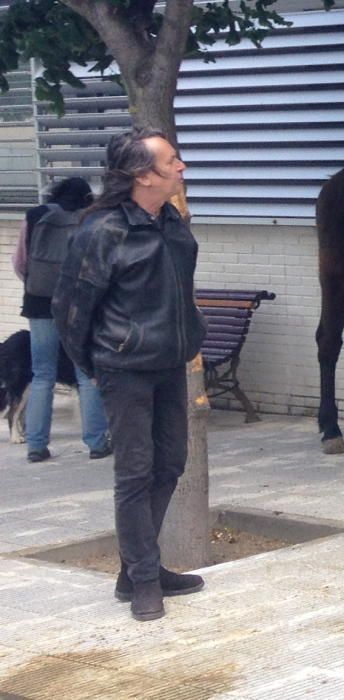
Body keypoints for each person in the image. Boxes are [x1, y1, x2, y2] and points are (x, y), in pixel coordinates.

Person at [53, 128, 207, 621]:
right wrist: (95, 366)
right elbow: (71, 310)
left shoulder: (172, 222)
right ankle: (143, 580)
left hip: (170, 363)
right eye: (172, 161)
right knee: (134, 474)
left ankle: (136, 567)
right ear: (143, 175)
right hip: (125, 369)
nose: (182, 167)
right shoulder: (101, 232)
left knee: (170, 465)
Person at [11, 177, 111, 463]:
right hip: (79, 306)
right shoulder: (91, 219)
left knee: (42, 374)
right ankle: (96, 442)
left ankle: (36, 446)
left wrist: (36, 286)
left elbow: (20, 262)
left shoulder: (35, 216)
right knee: (84, 372)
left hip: (39, 305)